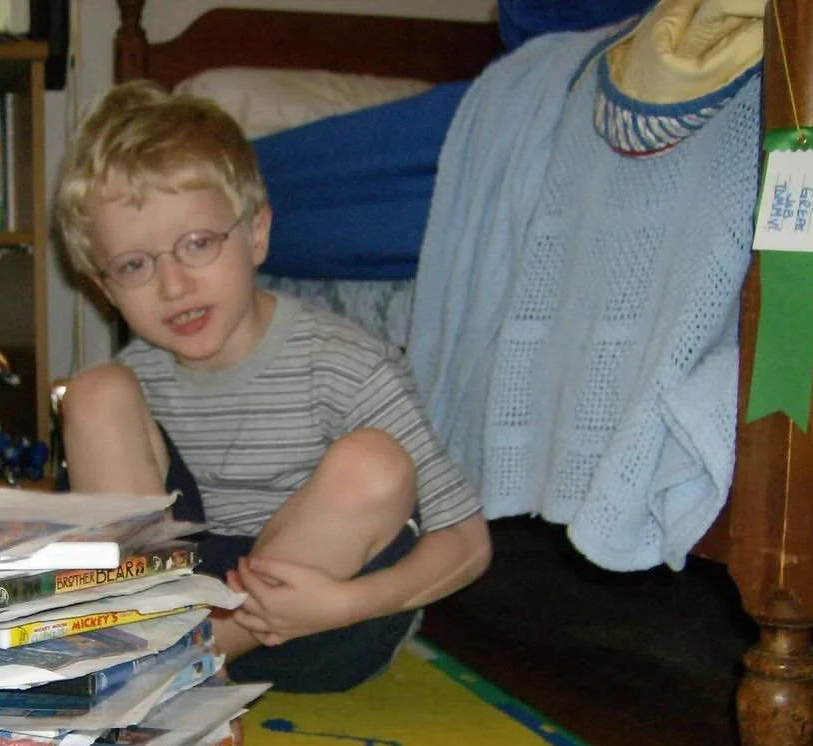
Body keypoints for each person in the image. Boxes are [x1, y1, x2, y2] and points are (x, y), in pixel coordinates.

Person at [52, 80, 491, 692]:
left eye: (199, 244)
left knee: (374, 461)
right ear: (106, 289)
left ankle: (165, 672)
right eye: (135, 265)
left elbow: (467, 542)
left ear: (257, 233)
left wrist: (344, 604)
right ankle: (159, 658)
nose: (174, 286)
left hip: (319, 622)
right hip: (176, 601)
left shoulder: (344, 363)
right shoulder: (135, 379)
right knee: (93, 392)